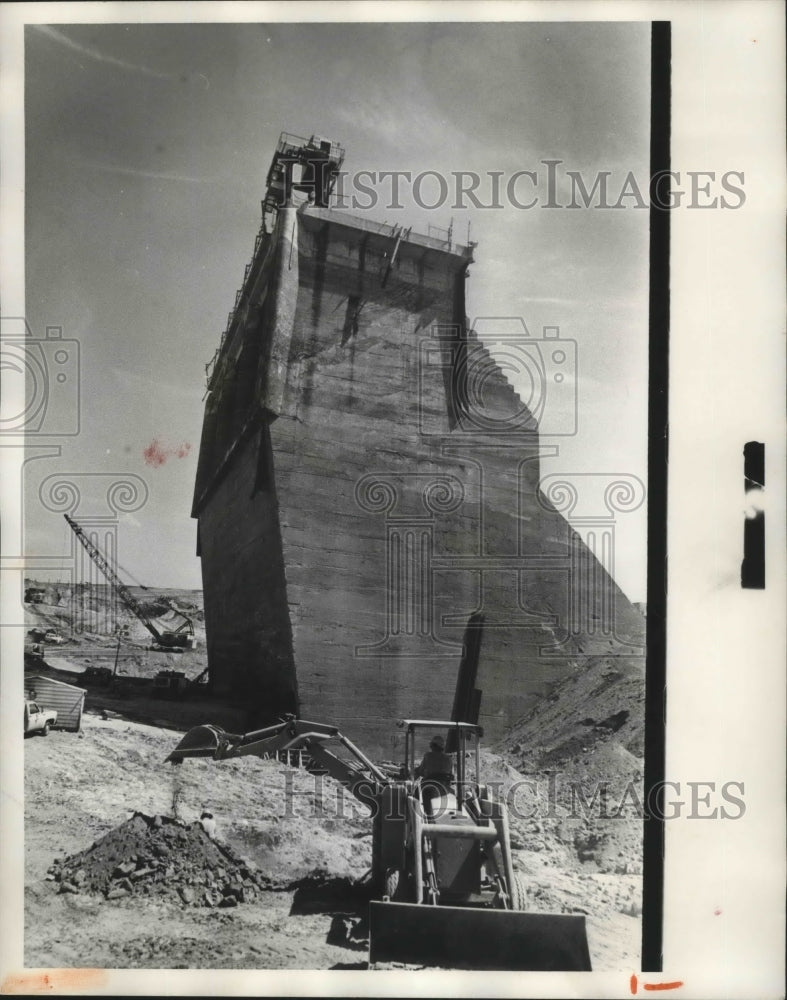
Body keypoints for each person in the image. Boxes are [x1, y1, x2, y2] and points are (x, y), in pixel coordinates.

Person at [415, 735, 454, 805]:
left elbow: (420, 771)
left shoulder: (428, 756)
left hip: (429, 786)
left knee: (415, 792)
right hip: (444, 786)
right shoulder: (448, 759)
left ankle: (418, 810)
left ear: (432, 746)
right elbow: (451, 776)